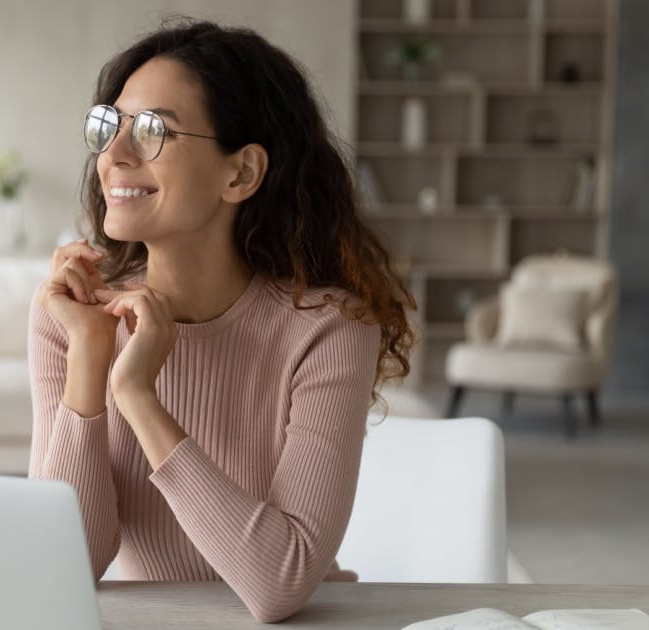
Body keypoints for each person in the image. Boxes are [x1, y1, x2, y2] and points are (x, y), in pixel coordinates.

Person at [28, 18, 415, 623]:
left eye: (154, 130)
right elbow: (62, 565)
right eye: (112, 126)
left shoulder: (328, 327)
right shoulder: (72, 317)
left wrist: (136, 394)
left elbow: (279, 583)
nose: (115, 155)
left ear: (241, 174)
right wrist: (89, 362)